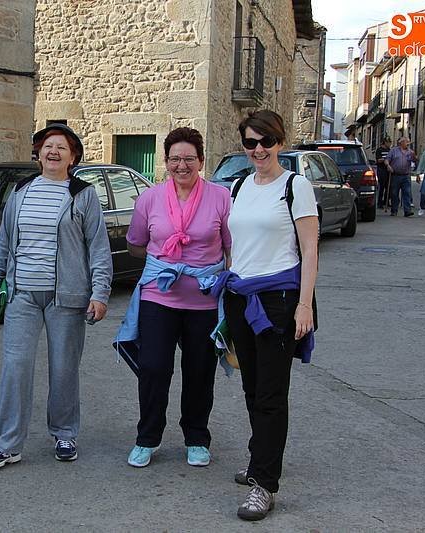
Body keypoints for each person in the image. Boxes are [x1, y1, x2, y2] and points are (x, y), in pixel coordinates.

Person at [0, 124, 113, 468]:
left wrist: (100, 292)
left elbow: (98, 248)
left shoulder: (83, 194)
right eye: (47, 146)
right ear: (38, 153)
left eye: (62, 147)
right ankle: (7, 443)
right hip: (22, 295)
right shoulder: (21, 191)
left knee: (64, 368)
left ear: (73, 157)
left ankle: (65, 433)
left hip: (66, 297)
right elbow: (5, 241)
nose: (53, 152)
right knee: (15, 368)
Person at [210, 110, 318, 521]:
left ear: (280, 143)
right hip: (241, 298)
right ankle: (260, 461)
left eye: (266, 142)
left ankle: (265, 484)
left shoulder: (295, 186)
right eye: (250, 142)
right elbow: (235, 245)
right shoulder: (239, 186)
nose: (258, 150)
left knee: (272, 393)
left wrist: (304, 305)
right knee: (253, 388)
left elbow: (310, 249)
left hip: (278, 302)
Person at [113, 127, 231, 469]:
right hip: (158, 297)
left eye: (189, 158)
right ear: (165, 162)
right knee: (153, 368)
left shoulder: (221, 197)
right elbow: (136, 244)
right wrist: (165, 263)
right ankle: (147, 438)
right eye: (175, 159)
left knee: (200, 371)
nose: (182, 165)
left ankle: (196, 438)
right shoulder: (149, 198)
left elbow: (230, 246)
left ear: (201, 161)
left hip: (204, 300)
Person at [384, 137, 417, 217]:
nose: (408, 143)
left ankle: (407, 211)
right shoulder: (394, 150)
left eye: (409, 142)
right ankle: (394, 210)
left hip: (406, 175)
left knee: (407, 193)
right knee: (394, 193)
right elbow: (387, 159)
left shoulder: (410, 152)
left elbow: (415, 160)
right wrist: (388, 166)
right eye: (406, 142)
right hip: (395, 175)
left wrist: (414, 156)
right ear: (401, 143)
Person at [374, 137, 391, 209]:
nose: (390, 144)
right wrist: (385, 159)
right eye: (389, 142)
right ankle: (379, 202)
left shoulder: (389, 150)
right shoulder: (379, 150)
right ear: (385, 142)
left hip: (388, 170)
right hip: (381, 170)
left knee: (388, 187)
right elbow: (378, 160)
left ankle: (386, 201)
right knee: (382, 187)